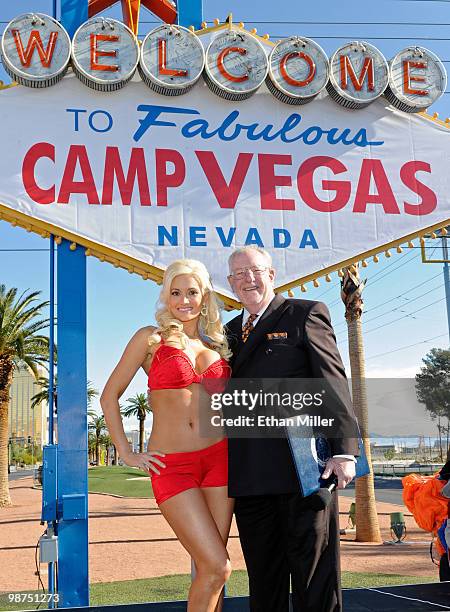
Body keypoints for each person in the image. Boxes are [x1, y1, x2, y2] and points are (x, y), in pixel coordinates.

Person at [225, 245, 360, 612]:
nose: (247, 279)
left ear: (271, 275)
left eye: (254, 271)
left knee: (314, 580)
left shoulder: (304, 313)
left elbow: (332, 382)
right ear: (230, 284)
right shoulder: (227, 333)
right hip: (251, 477)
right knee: (264, 582)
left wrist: (344, 450)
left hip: (305, 470)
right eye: (238, 274)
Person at [101, 259, 234, 612]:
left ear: (205, 297)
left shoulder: (218, 346)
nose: (183, 300)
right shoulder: (151, 338)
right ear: (166, 297)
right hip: (172, 466)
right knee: (218, 567)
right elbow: (109, 396)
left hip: (220, 461)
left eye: (192, 292)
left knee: (211, 569)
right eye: (175, 292)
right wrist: (127, 453)